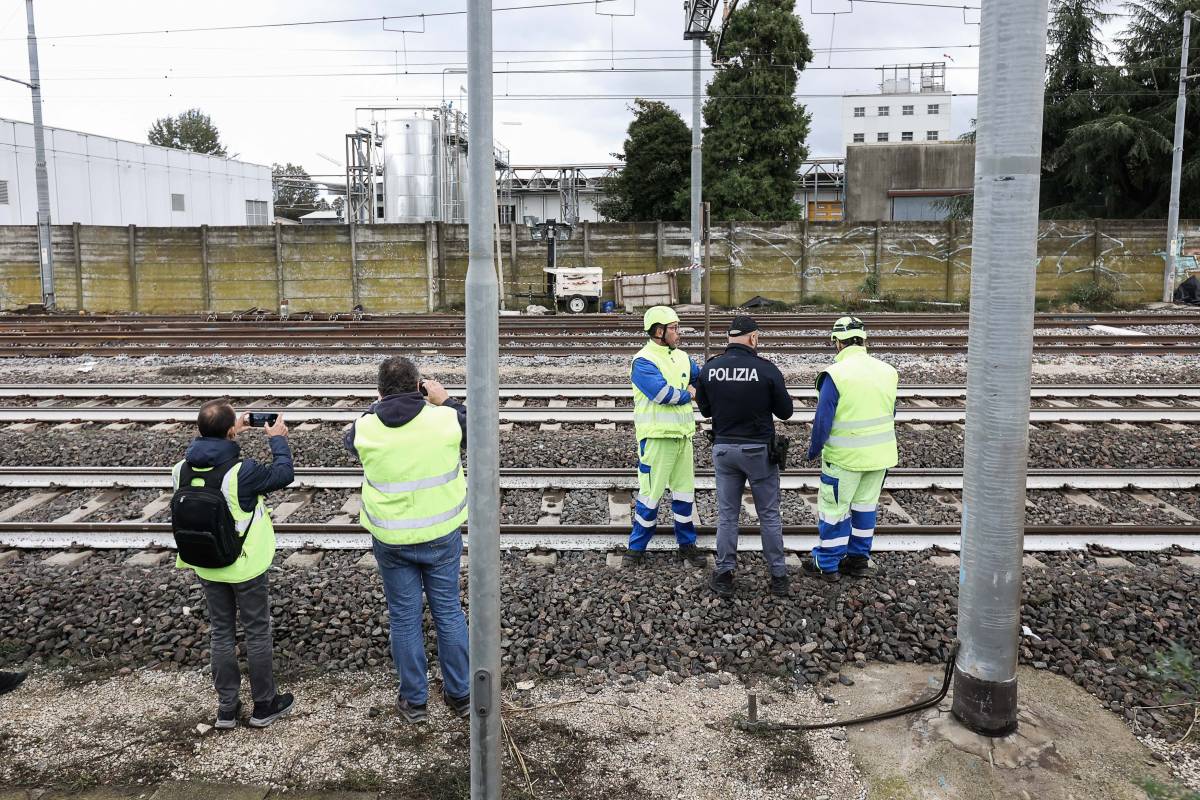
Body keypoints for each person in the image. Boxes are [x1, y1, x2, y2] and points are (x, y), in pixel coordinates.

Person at [344, 356, 470, 725]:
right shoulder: (446, 420)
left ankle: (415, 702)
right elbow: (475, 427)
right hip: (440, 535)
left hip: (391, 538)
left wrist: (378, 404)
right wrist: (444, 399)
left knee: (404, 617)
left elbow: (349, 440)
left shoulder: (365, 427)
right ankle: (460, 695)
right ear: (419, 386)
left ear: (380, 392)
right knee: (448, 612)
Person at [174, 400, 295, 728]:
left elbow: (207, 458)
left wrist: (229, 432)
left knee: (221, 631)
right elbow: (284, 474)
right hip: (245, 564)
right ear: (230, 432)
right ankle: (264, 705)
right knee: (256, 630)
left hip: (206, 563)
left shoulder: (180, 469)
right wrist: (277, 438)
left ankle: (227, 708)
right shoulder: (241, 472)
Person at [695, 315, 795, 598]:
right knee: (769, 515)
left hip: (724, 450)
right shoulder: (765, 369)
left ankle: (725, 574)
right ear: (753, 338)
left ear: (729, 339)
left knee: (727, 515)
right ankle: (778, 576)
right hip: (758, 451)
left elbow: (704, 411)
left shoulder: (711, 368)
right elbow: (785, 412)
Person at [802, 316, 898, 582]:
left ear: (837, 342)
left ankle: (827, 563)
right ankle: (858, 561)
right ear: (864, 340)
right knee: (865, 507)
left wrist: (813, 449)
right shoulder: (888, 371)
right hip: (880, 457)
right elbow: (890, 412)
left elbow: (823, 420)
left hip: (845, 459)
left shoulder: (835, 374)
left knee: (835, 509)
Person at [624, 305, 706, 568]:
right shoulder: (643, 361)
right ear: (658, 332)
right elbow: (662, 395)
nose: (678, 333)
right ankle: (636, 549)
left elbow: (701, 380)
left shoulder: (682, 357)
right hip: (657, 438)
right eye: (673, 328)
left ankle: (687, 545)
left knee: (684, 494)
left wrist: (696, 388)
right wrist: (689, 393)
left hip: (683, 437)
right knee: (650, 495)